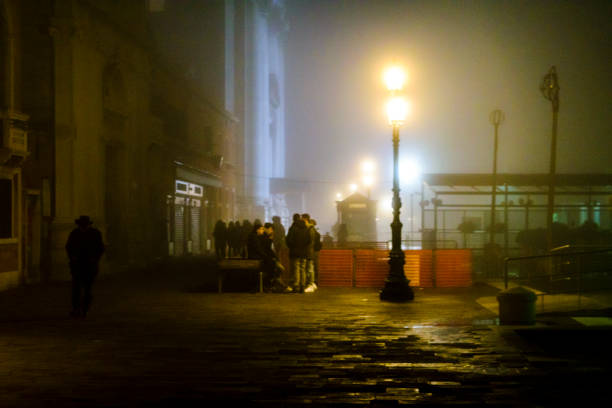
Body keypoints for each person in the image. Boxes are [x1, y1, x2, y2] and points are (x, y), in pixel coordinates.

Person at [65, 215, 105, 318]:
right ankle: (76, 308)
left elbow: (100, 248)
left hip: (89, 265)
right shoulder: (76, 233)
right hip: (78, 264)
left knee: (87, 288)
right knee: (77, 288)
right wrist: (72, 257)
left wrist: (94, 258)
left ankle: (84, 309)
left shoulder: (94, 234)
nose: (82, 227)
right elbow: (69, 247)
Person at [285, 213, 310, 293]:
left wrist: (292, 247)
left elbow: (289, 240)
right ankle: (302, 286)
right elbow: (308, 240)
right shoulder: (305, 228)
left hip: (295, 251)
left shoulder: (293, 228)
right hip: (304, 252)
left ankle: (296, 285)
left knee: (296, 269)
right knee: (303, 269)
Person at [301, 213, 317, 293]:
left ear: (305, 219)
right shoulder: (311, 228)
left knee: (309, 268)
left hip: (308, 251)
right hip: (310, 251)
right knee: (310, 268)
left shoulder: (309, 228)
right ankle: (312, 283)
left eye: (302, 218)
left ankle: (311, 284)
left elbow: (310, 241)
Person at [311, 219, 322, 287]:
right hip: (315, 251)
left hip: (312, 251)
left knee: (311, 266)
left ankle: (313, 281)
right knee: (314, 266)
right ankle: (315, 281)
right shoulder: (317, 233)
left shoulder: (313, 233)